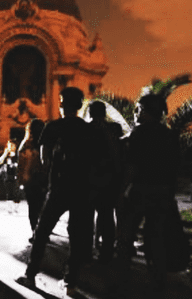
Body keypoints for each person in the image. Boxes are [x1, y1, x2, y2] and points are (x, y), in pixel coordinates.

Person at [16, 87, 105, 295]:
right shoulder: (88, 129)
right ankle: (70, 282)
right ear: (80, 105)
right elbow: (95, 159)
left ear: (62, 104)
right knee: (77, 236)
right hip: (82, 188)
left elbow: (44, 159)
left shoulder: (52, 127)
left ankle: (30, 275)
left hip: (59, 187)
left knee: (42, 231)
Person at [117, 94, 182, 294]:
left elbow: (132, 166)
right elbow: (176, 167)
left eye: (138, 109)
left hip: (140, 190)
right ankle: (158, 281)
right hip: (163, 192)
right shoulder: (169, 134)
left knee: (126, 236)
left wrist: (121, 191)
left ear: (146, 111)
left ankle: (122, 280)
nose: (135, 113)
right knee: (156, 237)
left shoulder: (138, 134)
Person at [88, 101, 123, 263]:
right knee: (106, 215)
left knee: (86, 216)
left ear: (90, 113)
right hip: (109, 178)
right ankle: (107, 250)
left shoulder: (85, 129)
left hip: (89, 178)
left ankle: (87, 250)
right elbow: (118, 152)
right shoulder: (114, 128)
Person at [16, 118, 47, 237]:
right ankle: (43, 232)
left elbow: (21, 164)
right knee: (42, 208)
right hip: (43, 179)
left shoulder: (25, 145)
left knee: (33, 208)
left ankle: (35, 231)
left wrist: (20, 180)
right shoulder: (46, 144)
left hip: (29, 180)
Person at [0, 139, 21, 213]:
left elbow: (20, 163)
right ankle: (10, 208)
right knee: (9, 192)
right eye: (9, 145)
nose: (10, 147)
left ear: (15, 146)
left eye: (12, 145)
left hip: (16, 175)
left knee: (16, 192)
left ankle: (16, 208)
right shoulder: (6, 154)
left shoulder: (18, 154)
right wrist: (5, 153)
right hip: (7, 176)